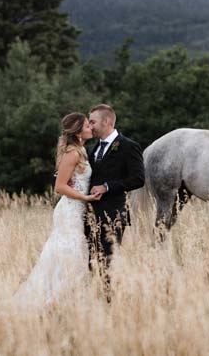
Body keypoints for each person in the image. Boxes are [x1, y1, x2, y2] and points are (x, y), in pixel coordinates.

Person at [12, 112, 102, 308]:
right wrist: (85, 197)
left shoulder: (82, 150)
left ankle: (67, 298)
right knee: (70, 251)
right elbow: (59, 187)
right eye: (87, 126)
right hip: (70, 209)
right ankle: (53, 298)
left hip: (78, 209)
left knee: (74, 251)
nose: (91, 128)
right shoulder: (73, 153)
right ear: (78, 131)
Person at [84, 104, 145, 300]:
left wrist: (107, 186)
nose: (90, 126)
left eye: (92, 121)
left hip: (114, 214)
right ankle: (92, 297)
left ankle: (108, 300)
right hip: (90, 214)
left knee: (108, 260)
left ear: (107, 122)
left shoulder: (128, 146)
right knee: (90, 260)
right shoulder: (93, 149)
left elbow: (138, 179)